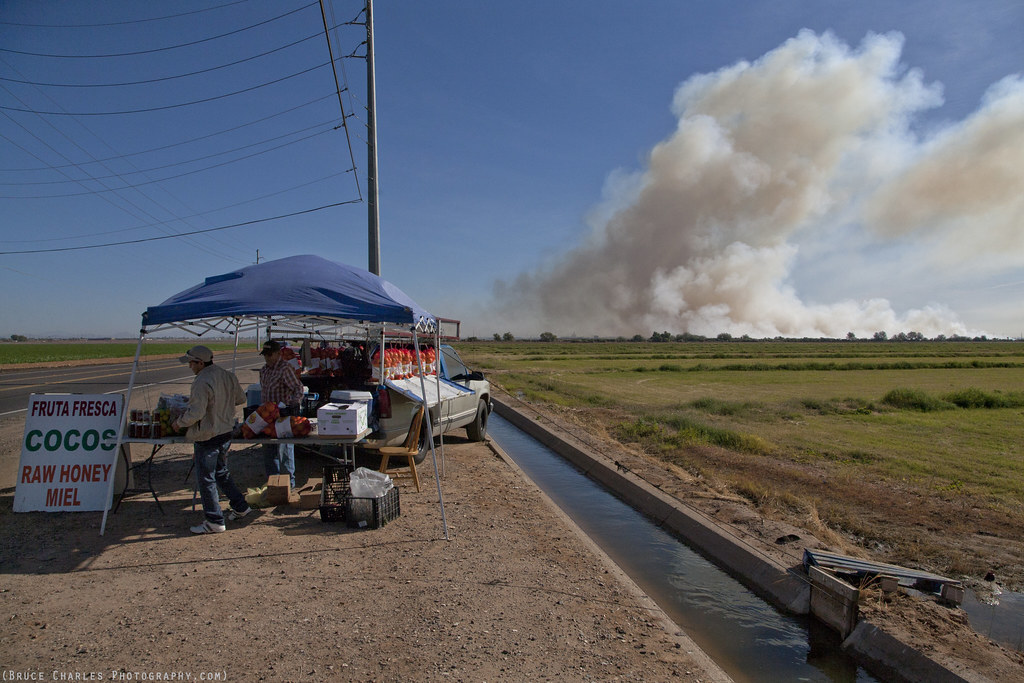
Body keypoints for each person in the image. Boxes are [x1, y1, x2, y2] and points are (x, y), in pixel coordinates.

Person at [171, 345, 251, 534]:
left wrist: (179, 423)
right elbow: (240, 399)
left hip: (208, 435)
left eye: (191, 362)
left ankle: (214, 520)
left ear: (200, 362)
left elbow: (196, 413)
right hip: (226, 432)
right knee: (221, 472)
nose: (190, 366)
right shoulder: (227, 375)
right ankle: (240, 506)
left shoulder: (202, 380)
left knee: (206, 478)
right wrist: (222, 403)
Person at [259, 340, 304, 489]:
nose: (267, 358)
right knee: (268, 450)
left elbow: (298, 388)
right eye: (265, 355)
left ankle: (288, 486)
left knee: (284, 450)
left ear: (278, 354)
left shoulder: (285, 369)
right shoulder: (264, 370)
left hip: (282, 416)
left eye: (270, 355)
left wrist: (295, 402)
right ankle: (273, 485)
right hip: (266, 416)